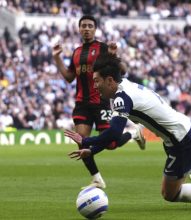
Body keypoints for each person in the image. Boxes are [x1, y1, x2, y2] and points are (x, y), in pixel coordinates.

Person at [64, 54, 191, 206]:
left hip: (180, 139)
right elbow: (112, 135)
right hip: (182, 130)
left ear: (109, 80)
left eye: (97, 81)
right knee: (188, 163)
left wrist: (86, 141)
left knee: (169, 193)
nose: (95, 86)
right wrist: (92, 150)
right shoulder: (126, 85)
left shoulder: (121, 98)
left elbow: (114, 133)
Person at [52, 15, 146, 189]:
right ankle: (97, 179)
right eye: (83, 26)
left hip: (101, 101)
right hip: (82, 103)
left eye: (90, 26)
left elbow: (123, 70)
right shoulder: (77, 52)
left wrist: (113, 56)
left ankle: (134, 133)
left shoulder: (103, 48)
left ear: (95, 29)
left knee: (111, 144)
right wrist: (57, 58)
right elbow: (68, 78)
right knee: (82, 140)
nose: (86, 29)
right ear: (79, 29)